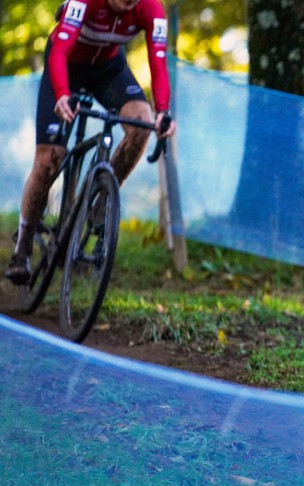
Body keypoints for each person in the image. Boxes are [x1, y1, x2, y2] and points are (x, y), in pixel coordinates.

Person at [5, 0, 177, 284]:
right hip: (66, 65)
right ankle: (22, 247)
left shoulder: (152, 9)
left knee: (142, 121)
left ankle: (101, 197)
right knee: (49, 158)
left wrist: (162, 112)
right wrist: (61, 93)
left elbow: (158, 65)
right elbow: (60, 49)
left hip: (108, 70)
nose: (129, 2)